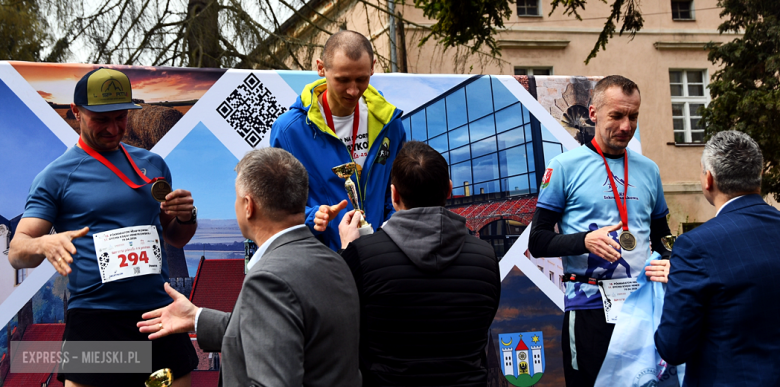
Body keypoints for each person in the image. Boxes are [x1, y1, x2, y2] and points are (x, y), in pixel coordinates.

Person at [8, 68, 198, 387]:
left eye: (120, 117)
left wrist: (186, 216)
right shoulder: (55, 177)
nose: (113, 128)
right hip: (96, 319)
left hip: (158, 315)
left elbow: (176, 238)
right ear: (76, 112)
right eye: (101, 119)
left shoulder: (153, 165)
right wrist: (43, 245)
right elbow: (17, 250)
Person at [138, 147, 362, 386]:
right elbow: (278, 332)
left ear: (248, 205)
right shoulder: (336, 261)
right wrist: (197, 318)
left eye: (236, 198)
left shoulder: (268, 279)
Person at [528, 75, 672, 387]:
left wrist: (670, 259)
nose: (626, 126)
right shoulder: (564, 166)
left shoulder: (649, 169)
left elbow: (663, 237)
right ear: (593, 114)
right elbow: (537, 241)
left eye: (633, 116)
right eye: (617, 116)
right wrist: (584, 241)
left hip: (642, 308)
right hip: (589, 309)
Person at [338, 141, 501, 386]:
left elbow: (341, 328)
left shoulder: (361, 257)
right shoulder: (486, 257)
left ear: (393, 195)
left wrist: (347, 252)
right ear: (449, 190)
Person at [655, 131, 780, 386]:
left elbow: (673, 347)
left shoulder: (695, 246)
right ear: (760, 177)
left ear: (708, 179)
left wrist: (681, 283)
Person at [270, 30, 405, 251]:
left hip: (381, 257)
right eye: (342, 80)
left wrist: (390, 229)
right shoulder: (289, 131)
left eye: (362, 79)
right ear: (321, 68)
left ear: (373, 66)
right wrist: (313, 217)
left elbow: (397, 190)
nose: (353, 91)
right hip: (324, 261)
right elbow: (277, 206)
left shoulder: (390, 123)